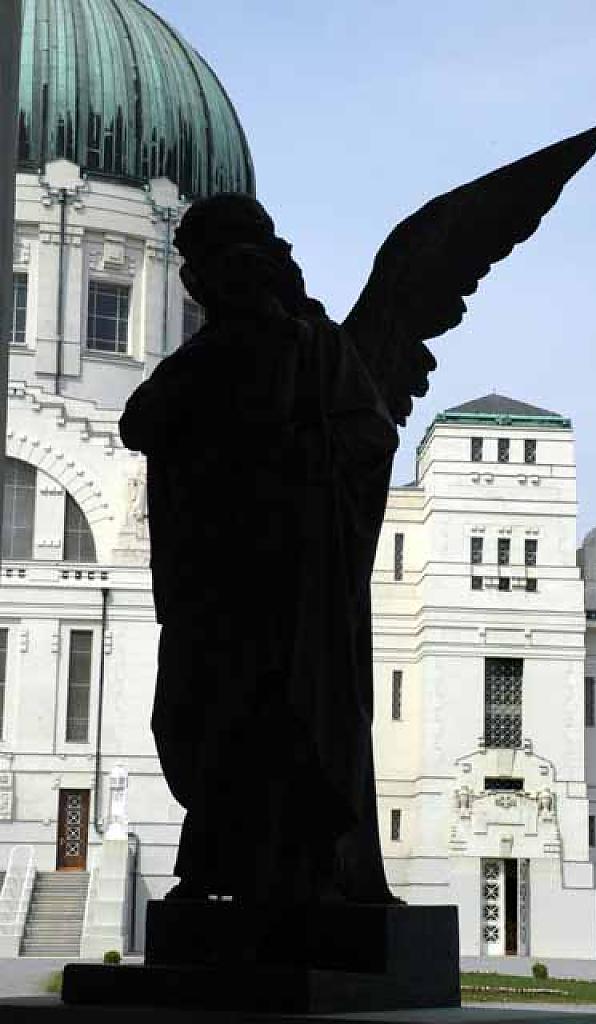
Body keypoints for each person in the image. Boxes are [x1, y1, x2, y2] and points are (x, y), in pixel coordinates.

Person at [119, 194, 400, 905]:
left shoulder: (317, 347)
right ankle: (223, 860)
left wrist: (301, 454)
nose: (202, 283)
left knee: (285, 716)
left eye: (213, 267)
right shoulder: (207, 355)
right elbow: (139, 422)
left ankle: (297, 869)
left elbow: (371, 437)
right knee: (196, 712)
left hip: (291, 580)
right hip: (216, 573)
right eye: (197, 271)